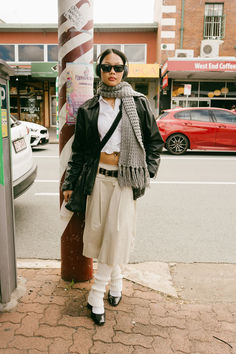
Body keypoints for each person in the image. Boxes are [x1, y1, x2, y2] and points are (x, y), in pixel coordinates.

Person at [62, 48, 164, 326]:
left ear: (124, 71)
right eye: (106, 68)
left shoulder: (138, 103)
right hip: (97, 179)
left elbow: (155, 143)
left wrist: (147, 172)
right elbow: (80, 151)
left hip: (125, 181)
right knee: (99, 235)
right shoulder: (89, 108)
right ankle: (116, 283)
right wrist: (70, 183)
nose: (112, 73)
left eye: (117, 68)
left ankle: (96, 295)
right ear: (100, 71)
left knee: (116, 233)